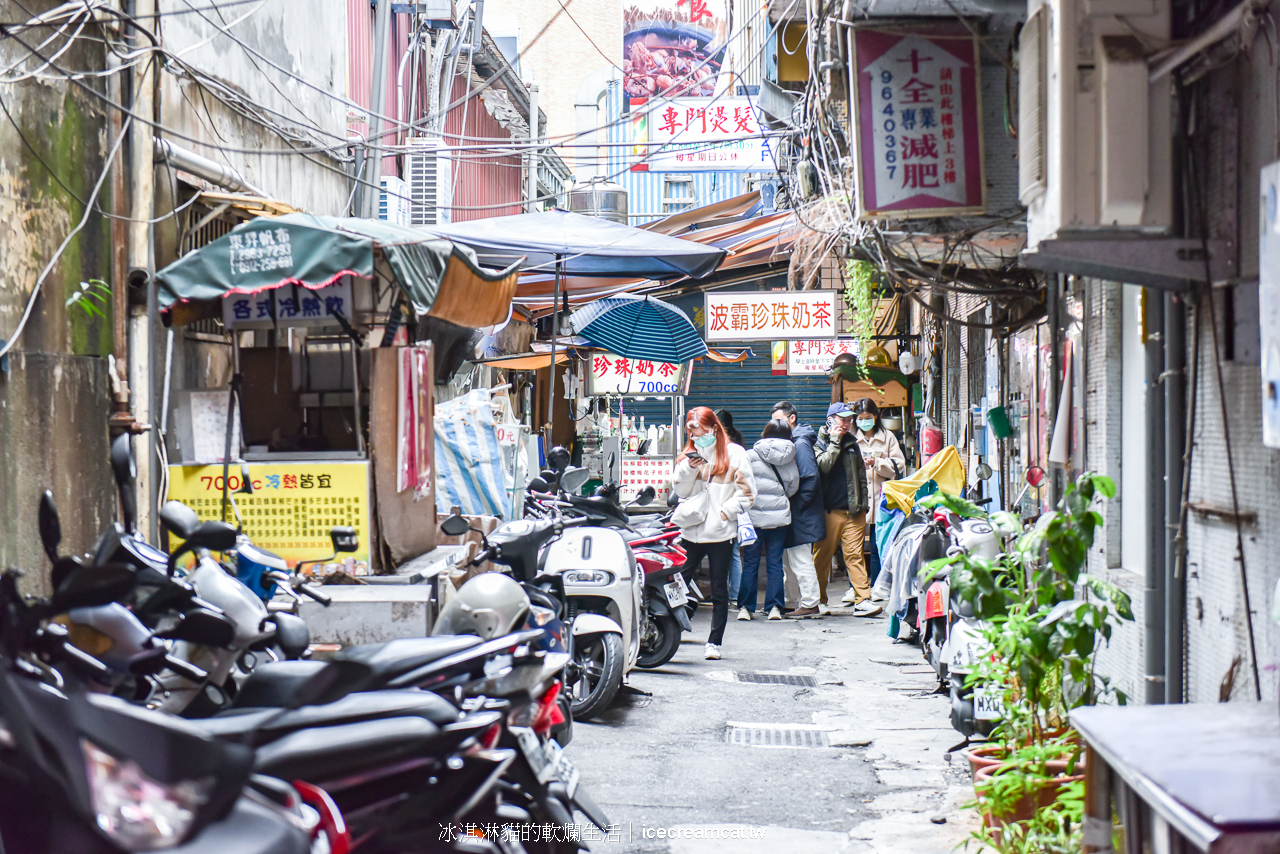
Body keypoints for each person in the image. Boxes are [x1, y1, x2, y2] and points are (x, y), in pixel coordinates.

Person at [671, 406, 757, 660]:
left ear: (714, 428)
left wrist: (725, 512)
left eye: (702, 432)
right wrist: (688, 468)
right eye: (694, 434)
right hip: (691, 530)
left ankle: (714, 642)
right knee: (677, 583)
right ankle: (672, 632)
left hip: (720, 532)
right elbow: (681, 491)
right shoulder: (689, 455)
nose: (698, 438)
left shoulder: (735, 454)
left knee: (720, 590)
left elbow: (748, 493)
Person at [814, 402, 881, 616]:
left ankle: (862, 599)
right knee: (822, 558)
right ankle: (819, 599)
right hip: (829, 511)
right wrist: (834, 441)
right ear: (830, 419)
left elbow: (861, 476)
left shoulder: (853, 444)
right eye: (842, 419)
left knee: (855, 555)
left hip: (854, 511)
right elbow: (823, 466)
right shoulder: (818, 443)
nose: (847, 423)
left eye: (849, 419)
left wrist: (863, 506)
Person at [737, 419, 800, 621]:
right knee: (775, 563)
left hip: (754, 516)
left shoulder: (750, 455)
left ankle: (746, 608)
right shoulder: (790, 455)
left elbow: (742, 483)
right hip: (779, 518)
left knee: (751, 562)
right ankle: (774, 608)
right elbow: (793, 486)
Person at [770, 401, 825, 619]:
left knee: (801, 558)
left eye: (778, 420)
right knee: (790, 559)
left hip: (802, 513)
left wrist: (797, 505)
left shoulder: (800, 443)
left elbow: (810, 478)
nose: (775, 425)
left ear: (791, 418)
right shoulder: (795, 441)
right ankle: (793, 602)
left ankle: (810, 603)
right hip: (797, 511)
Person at [851, 398, 906, 588]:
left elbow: (899, 465)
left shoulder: (887, 437)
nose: (864, 421)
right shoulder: (851, 438)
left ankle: (877, 586)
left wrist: (877, 463)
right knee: (854, 547)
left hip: (880, 500)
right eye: (860, 417)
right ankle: (856, 589)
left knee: (877, 545)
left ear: (875, 417)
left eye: (868, 417)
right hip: (857, 499)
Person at [714, 409, 745, 607]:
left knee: (725, 552)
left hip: (724, 504)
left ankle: (727, 594)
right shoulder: (739, 444)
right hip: (735, 503)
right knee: (732, 552)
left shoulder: (723, 447)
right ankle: (734, 594)